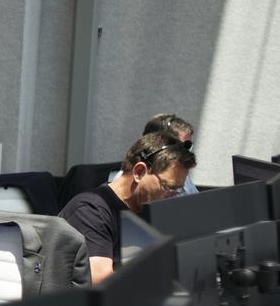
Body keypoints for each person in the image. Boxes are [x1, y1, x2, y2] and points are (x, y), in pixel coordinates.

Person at [60, 131, 197, 285]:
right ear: (139, 172)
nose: (174, 196)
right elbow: (102, 283)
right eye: (168, 186)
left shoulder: (149, 207)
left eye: (179, 189)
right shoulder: (90, 211)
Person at [105, 113, 199, 196]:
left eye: (188, 146)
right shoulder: (126, 181)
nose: (187, 153)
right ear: (157, 143)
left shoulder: (179, 173)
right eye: (180, 146)